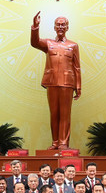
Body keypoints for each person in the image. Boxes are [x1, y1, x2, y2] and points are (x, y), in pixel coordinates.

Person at [30, 11, 81, 150]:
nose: (60, 27)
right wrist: (35, 27)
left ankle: (64, 142)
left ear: (67, 27)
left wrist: (78, 86)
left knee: (65, 114)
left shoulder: (73, 46)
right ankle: (55, 142)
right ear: (54, 27)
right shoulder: (48, 43)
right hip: (52, 82)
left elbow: (77, 67)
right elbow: (34, 42)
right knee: (54, 113)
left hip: (67, 83)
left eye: (63, 25)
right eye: (58, 25)